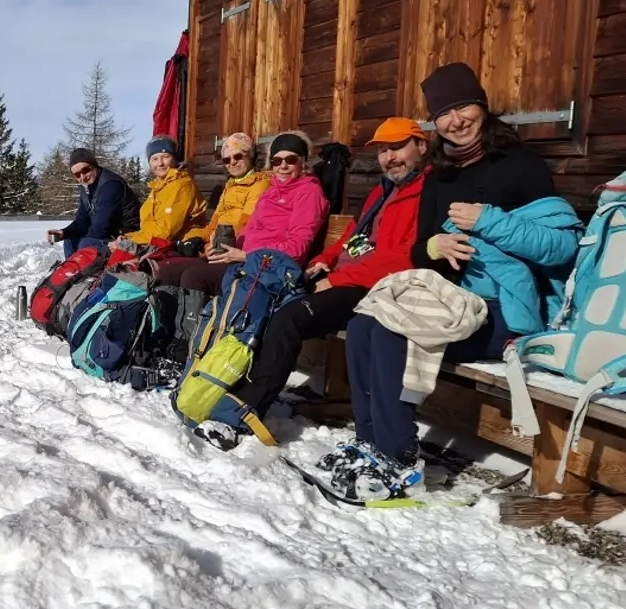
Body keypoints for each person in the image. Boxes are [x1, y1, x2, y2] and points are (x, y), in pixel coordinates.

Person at [327, 62, 584, 501]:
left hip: (510, 308)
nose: (455, 119)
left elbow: (562, 249)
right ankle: (372, 444)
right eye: (444, 112)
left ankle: (398, 459)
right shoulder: (442, 175)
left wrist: (490, 222)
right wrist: (436, 247)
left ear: (482, 106)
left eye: (463, 106)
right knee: (367, 320)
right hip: (452, 296)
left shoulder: (520, 166)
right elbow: (427, 243)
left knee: (394, 329)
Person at [225, 118, 430, 426]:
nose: (390, 157)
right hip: (345, 277)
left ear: (422, 146)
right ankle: (230, 381)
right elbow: (351, 237)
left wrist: (335, 279)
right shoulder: (382, 191)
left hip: (374, 287)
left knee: (286, 317)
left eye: (397, 148)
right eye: (383, 150)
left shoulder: (427, 193)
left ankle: (247, 409)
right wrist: (323, 261)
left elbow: (403, 258)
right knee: (268, 299)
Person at [154, 131, 328, 297]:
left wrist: (245, 255)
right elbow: (247, 229)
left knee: (195, 276)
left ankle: (193, 326)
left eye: (290, 160)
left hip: (269, 268)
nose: (283, 166)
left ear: (303, 161)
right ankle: (164, 325)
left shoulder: (309, 193)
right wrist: (222, 249)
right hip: (243, 259)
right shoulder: (270, 192)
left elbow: (296, 248)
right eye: (276, 161)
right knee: (168, 270)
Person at [112, 135, 208, 249]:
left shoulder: (182, 185)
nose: (160, 163)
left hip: (184, 245)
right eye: (154, 159)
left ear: (175, 159)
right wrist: (127, 237)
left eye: (165, 156)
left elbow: (164, 232)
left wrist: (131, 240)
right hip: (160, 244)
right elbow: (148, 229)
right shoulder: (157, 188)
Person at [46, 147, 141, 258]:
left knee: (86, 243)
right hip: (110, 233)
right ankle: (72, 270)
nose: (82, 177)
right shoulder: (86, 187)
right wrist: (64, 233)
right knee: (70, 241)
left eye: (86, 170)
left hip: (127, 236)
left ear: (94, 166)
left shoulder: (110, 185)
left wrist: (85, 237)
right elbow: (83, 219)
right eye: (77, 175)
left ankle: (87, 271)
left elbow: (101, 226)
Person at [183, 132, 271, 249]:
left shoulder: (259, 184)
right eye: (227, 160)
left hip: (232, 244)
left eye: (238, 156)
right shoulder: (231, 185)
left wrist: (212, 245)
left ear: (250, 156)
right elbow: (213, 223)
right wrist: (197, 239)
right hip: (217, 239)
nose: (232, 162)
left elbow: (245, 224)